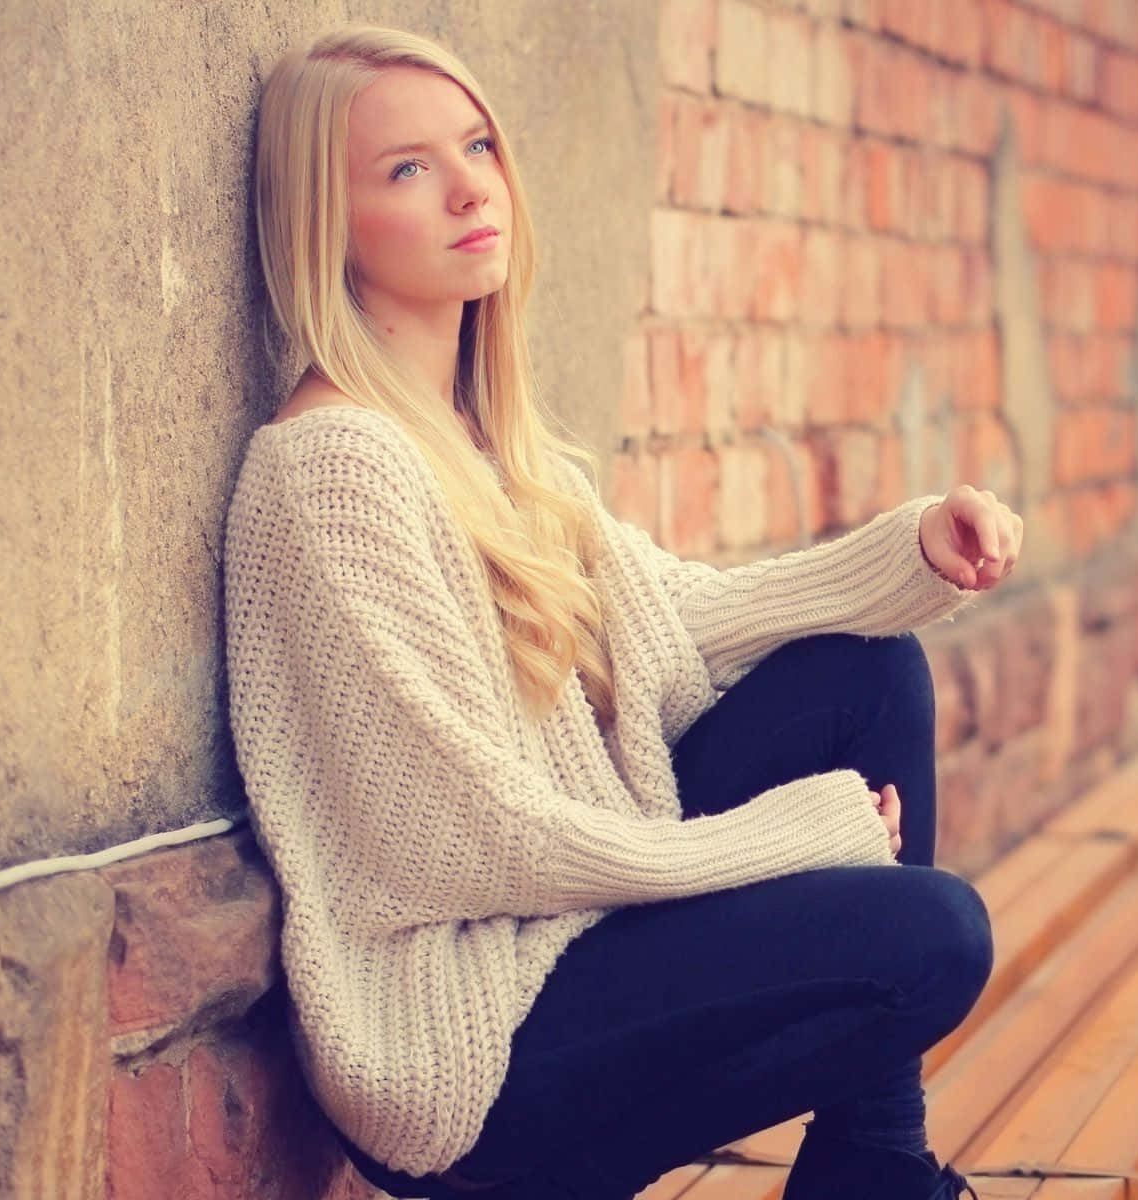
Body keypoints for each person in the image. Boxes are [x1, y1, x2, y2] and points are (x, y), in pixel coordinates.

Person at [223, 23, 1024, 1200]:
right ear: (325, 226)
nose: (468, 188)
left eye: (478, 146)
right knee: (933, 936)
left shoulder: (488, 440)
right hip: (473, 1054)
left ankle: (875, 1170)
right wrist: (805, 833)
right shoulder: (331, 472)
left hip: (570, 941)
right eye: (406, 170)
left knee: (870, 671)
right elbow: (483, 839)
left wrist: (913, 551)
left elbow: (675, 626)